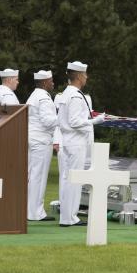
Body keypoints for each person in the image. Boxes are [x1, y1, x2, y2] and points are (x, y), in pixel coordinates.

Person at [57, 61, 105, 227]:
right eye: (84, 75)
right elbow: (75, 121)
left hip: (68, 141)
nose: (86, 77)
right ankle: (70, 217)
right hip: (75, 142)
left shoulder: (66, 94)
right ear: (78, 77)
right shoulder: (76, 95)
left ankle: (66, 216)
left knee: (67, 179)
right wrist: (95, 121)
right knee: (74, 180)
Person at [25, 70, 57, 222]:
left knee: (32, 176)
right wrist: (62, 117)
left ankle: (29, 210)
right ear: (44, 82)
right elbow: (47, 121)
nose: (53, 83)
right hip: (41, 141)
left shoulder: (33, 95)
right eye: (51, 80)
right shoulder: (44, 98)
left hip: (32, 139)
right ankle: (36, 212)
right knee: (39, 176)